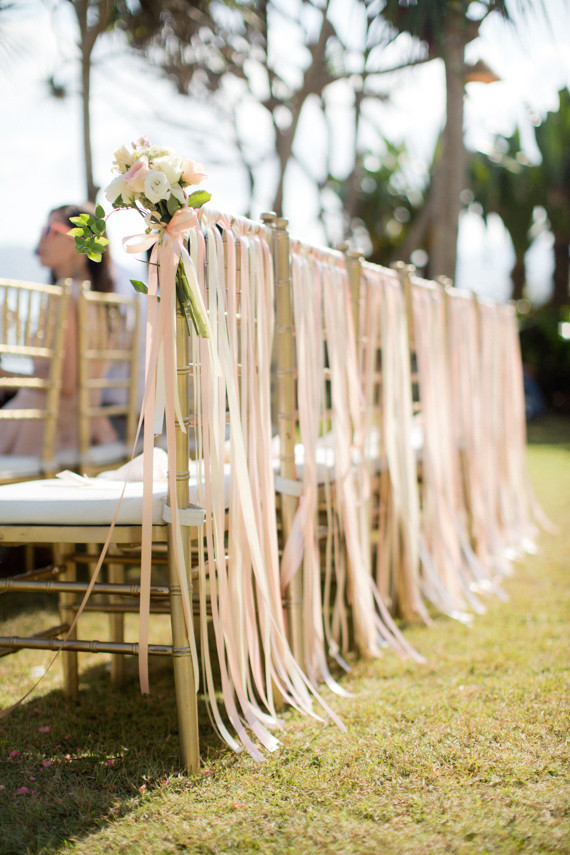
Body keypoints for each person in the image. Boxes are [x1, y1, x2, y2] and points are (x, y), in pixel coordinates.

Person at [0, 203, 118, 456]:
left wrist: (7, 376)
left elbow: (65, 384)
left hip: (44, 426)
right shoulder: (100, 300)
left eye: (50, 230)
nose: (40, 240)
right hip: (82, 423)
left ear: (79, 242)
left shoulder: (65, 299)